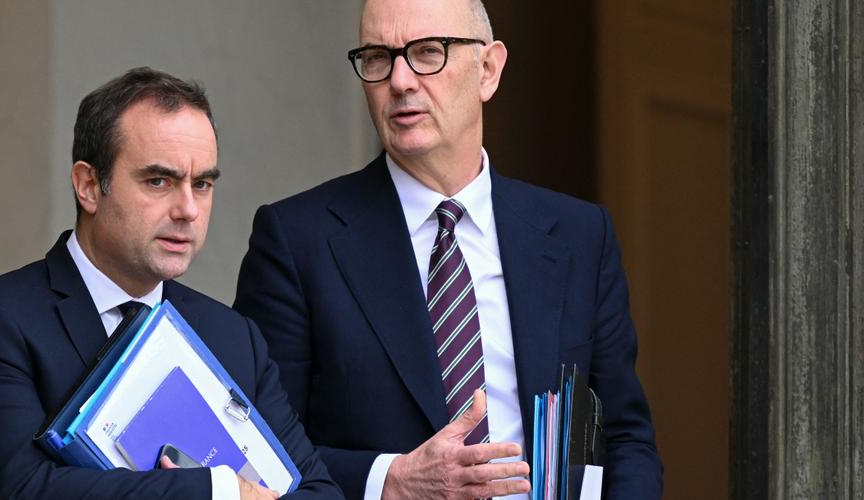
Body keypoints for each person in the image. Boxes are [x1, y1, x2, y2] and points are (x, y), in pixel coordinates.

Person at [233, 0, 663, 498]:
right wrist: (390, 480)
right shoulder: (297, 240)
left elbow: (625, 438)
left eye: (428, 52)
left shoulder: (579, 236)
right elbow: (258, 449)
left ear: (488, 69)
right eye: (377, 57)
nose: (400, 80)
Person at [0, 67, 342, 500]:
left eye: (202, 184)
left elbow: (318, 492)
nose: (188, 209)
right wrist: (218, 490)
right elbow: (17, 489)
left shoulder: (233, 336)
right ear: (89, 186)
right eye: (158, 181)